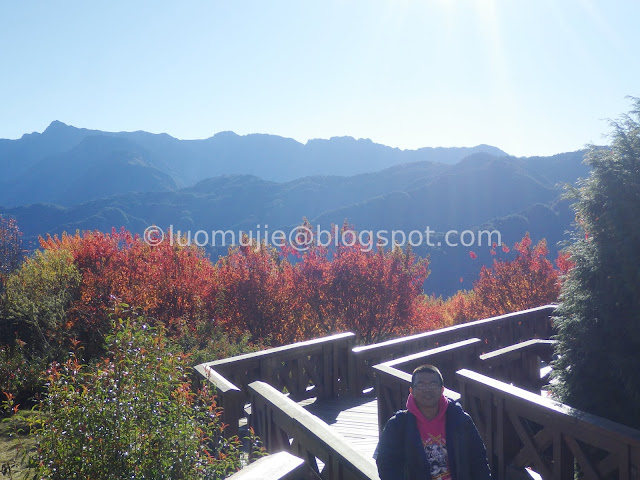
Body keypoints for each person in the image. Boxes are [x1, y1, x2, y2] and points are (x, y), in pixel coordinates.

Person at [375, 364, 491, 480]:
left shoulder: (461, 419)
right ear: (412, 391)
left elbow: (478, 459)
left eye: (433, 384)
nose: (427, 390)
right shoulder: (397, 425)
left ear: (442, 389)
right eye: (421, 385)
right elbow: (386, 464)